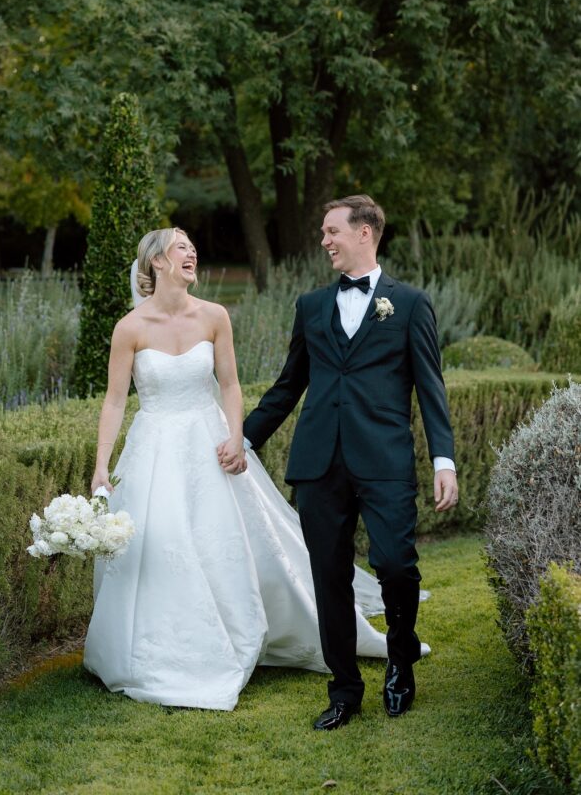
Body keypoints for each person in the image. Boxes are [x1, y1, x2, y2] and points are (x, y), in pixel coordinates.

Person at [83, 226, 429, 711]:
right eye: (183, 247)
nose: (192, 252)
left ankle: (245, 631)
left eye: (192, 246)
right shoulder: (130, 328)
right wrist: (102, 464)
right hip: (154, 448)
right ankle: (169, 649)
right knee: (161, 542)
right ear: (157, 262)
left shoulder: (215, 316)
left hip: (210, 445)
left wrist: (236, 435)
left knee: (223, 542)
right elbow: (116, 400)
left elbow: (229, 384)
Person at [240, 195, 457, 729]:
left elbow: (431, 388)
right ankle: (344, 691)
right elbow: (289, 385)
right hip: (319, 464)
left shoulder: (408, 304)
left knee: (397, 565)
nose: (324, 240)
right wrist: (242, 439)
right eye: (322, 231)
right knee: (328, 576)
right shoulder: (311, 306)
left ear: (365, 233)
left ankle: (400, 661)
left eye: (332, 230)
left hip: (384, 460)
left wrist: (443, 459)